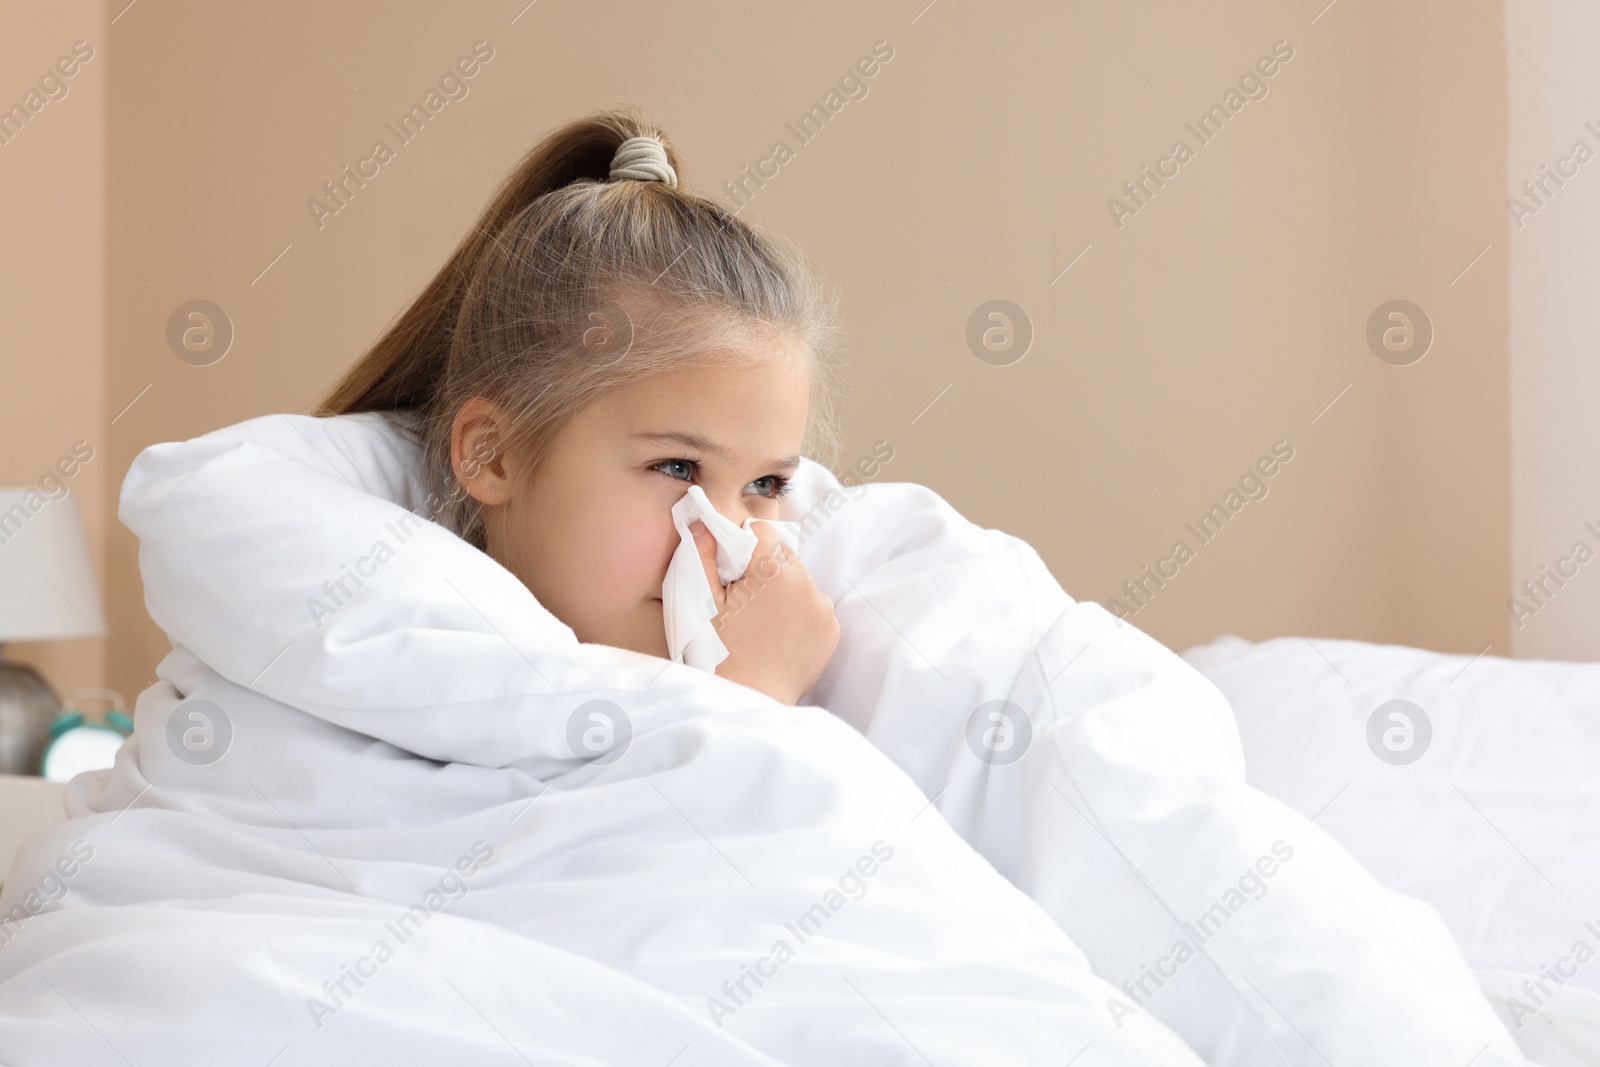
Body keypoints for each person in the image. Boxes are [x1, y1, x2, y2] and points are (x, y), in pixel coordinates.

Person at [318, 106, 841, 706]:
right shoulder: (419, 697)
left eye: (767, 484)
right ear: (493, 455)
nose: (730, 545)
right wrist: (757, 695)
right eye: (678, 467)